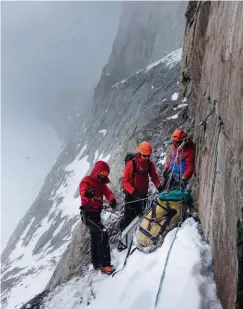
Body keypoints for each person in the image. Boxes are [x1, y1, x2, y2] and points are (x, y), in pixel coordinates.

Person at [118, 142, 163, 251]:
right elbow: (125, 181)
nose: (147, 158)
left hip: (142, 195)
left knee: (139, 217)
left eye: (148, 156)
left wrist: (159, 186)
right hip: (131, 195)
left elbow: (154, 177)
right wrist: (133, 192)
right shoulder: (132, 164)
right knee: (128, 218)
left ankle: (135, 238)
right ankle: (122, 242)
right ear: (140, 153)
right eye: (145, 155)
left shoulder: (149, 164)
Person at [79, 160, 117, 275]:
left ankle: (95, 263)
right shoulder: (87, 180)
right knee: (102, 232)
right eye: (102, 174)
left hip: (95, 215)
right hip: (88, 215)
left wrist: (112, 200)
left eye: (105, 175)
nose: (103, 177)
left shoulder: (102, 185)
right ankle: (105, 264)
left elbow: (108, 193)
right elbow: (82, 190)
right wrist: (87, 193)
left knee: (95, 237)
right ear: (97, 171)